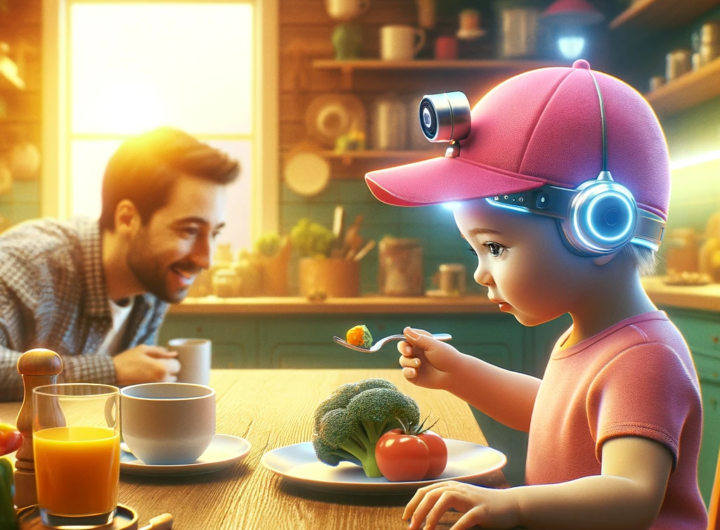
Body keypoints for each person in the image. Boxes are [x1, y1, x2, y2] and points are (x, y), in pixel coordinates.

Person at [365, 60, 707, 530]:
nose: (480, 273)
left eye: (495, 247)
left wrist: (517, 504)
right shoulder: (595, 337)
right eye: (475, 250)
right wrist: (460, 373)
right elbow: (555, 415)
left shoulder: (645, 358)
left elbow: (632, 493)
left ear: (599, 227)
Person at [0, 127, 239, 401]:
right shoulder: (28, 264)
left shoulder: (154, 278)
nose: (205, 260)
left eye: (215, 233)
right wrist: (110, 371)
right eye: (189, 231)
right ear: (127, 219)